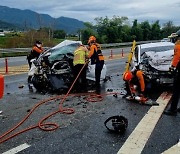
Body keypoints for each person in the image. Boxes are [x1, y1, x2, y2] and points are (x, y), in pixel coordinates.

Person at [164, 30, 180, 116]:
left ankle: (173, 109)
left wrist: (172, 68)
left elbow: (177, 58)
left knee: (176, 90)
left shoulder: (178, 45)